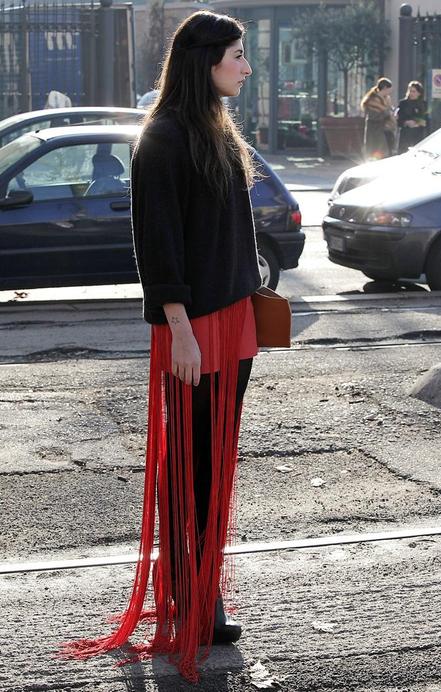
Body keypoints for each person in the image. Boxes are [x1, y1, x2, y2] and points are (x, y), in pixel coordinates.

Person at [60, 10, 261, 683]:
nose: (246, 65)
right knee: (195, 470)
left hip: (235, 321)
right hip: (195, 328)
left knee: (215, 465)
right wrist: (177, 327)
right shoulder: (166, 138)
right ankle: (195, 597)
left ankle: (199, 590)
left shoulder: (215, 130)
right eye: (238, 53)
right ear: (205, 58)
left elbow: (230, 236)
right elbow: (157, 243)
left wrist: (257, 313)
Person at [361, 77, 396, 159]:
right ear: (385, 88)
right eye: (389, 89)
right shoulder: (372, 100)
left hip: (386, 130)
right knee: (376, 152)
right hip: (375, 131)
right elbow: (374, 116)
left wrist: (392, 113)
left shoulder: (386, 98)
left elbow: (389, 110)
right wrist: (388, 114)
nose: (390, 92)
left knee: (387, 153)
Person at [397, 81, 428, 154]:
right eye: (410, 91)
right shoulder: (403, 103)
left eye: (414, 91)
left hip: (418, 135)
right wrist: (405, 122)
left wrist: (417, 122)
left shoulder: (423, 104)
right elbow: (398, 119)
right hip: (405, 135)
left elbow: (426, 119)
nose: (411, 93)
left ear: (419, 93)